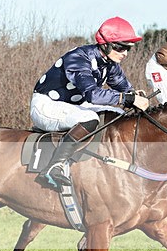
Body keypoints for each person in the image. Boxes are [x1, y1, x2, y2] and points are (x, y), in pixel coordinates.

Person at [30, 16, 150, 190]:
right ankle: (54, 166)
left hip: (74, 105)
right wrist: (128, 99)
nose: (124, 53)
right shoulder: (78, 57)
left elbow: (123, 88)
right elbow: (93, 94)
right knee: (89, 118)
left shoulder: (110, 63)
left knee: (121, 115)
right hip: (46, 105)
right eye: (120, 47)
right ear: (105, 44)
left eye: (128, 49)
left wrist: (134, 95)